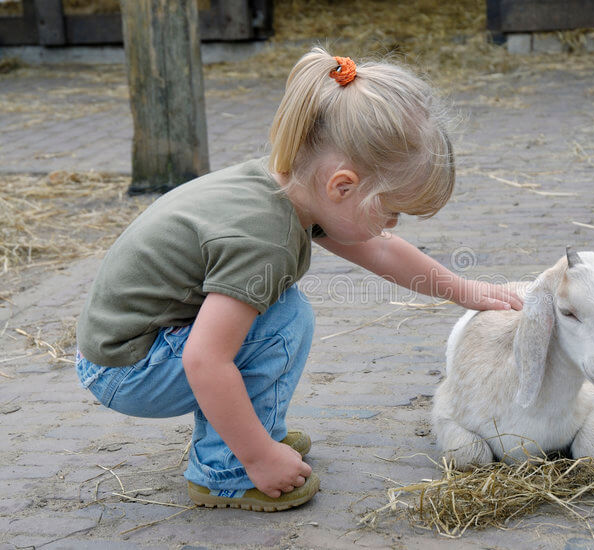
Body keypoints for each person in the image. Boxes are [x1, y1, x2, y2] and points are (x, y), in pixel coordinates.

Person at [75, 48, 522, 512]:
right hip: (126, 369)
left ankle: (253, 424)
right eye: (393, 210)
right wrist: (260, 456)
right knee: (282, 322)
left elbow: (382, 250)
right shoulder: (264, 239)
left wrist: (465, 291)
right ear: (343, 186)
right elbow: (206, 361)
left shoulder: (289, 185)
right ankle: (226, 471)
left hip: (129, 346)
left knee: (279, 312)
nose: (393, 224)